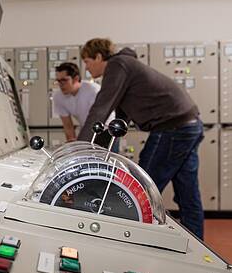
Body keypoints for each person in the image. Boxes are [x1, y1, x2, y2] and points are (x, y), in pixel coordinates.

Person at [77, 38, 204, 239]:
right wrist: (100, 144)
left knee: (141, 190)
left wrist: (80, 149)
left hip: (172, 128)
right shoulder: (127, 65)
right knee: (188, 194)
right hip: (190, 124)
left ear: (99, 57)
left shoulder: (117, 65)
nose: (86, 67)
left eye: (87, 61)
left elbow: (101, 108)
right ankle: (197, 244)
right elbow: (121, 117)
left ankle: (132, 241)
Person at [53, 62, 116, 149]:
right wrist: (72, 146)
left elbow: (97, 118)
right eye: (58, 81)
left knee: (105, 159)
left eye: (64, 80)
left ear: (76, 79)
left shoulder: (93, 90)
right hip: (87, 128)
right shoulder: (58, 97)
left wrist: (82, 142)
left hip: (106, 128)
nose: (61, 85)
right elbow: (68, 126)